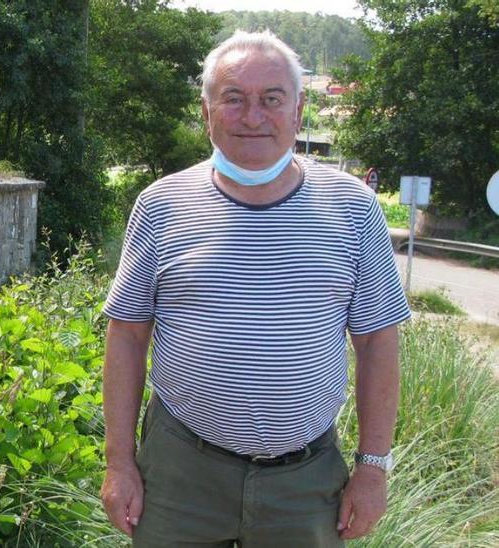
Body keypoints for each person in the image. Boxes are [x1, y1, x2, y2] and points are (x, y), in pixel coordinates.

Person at [98, 30, 410, 547]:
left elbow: (379, 340)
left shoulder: (354, 208)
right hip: (180, 474)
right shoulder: (160, 205)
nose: (252, 116)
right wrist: (119, 463)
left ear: (298, 108)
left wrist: (373, 470)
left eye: (271, 99)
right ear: (206, 111)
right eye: (234, 99)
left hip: (306, 482)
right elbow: (127, 336)